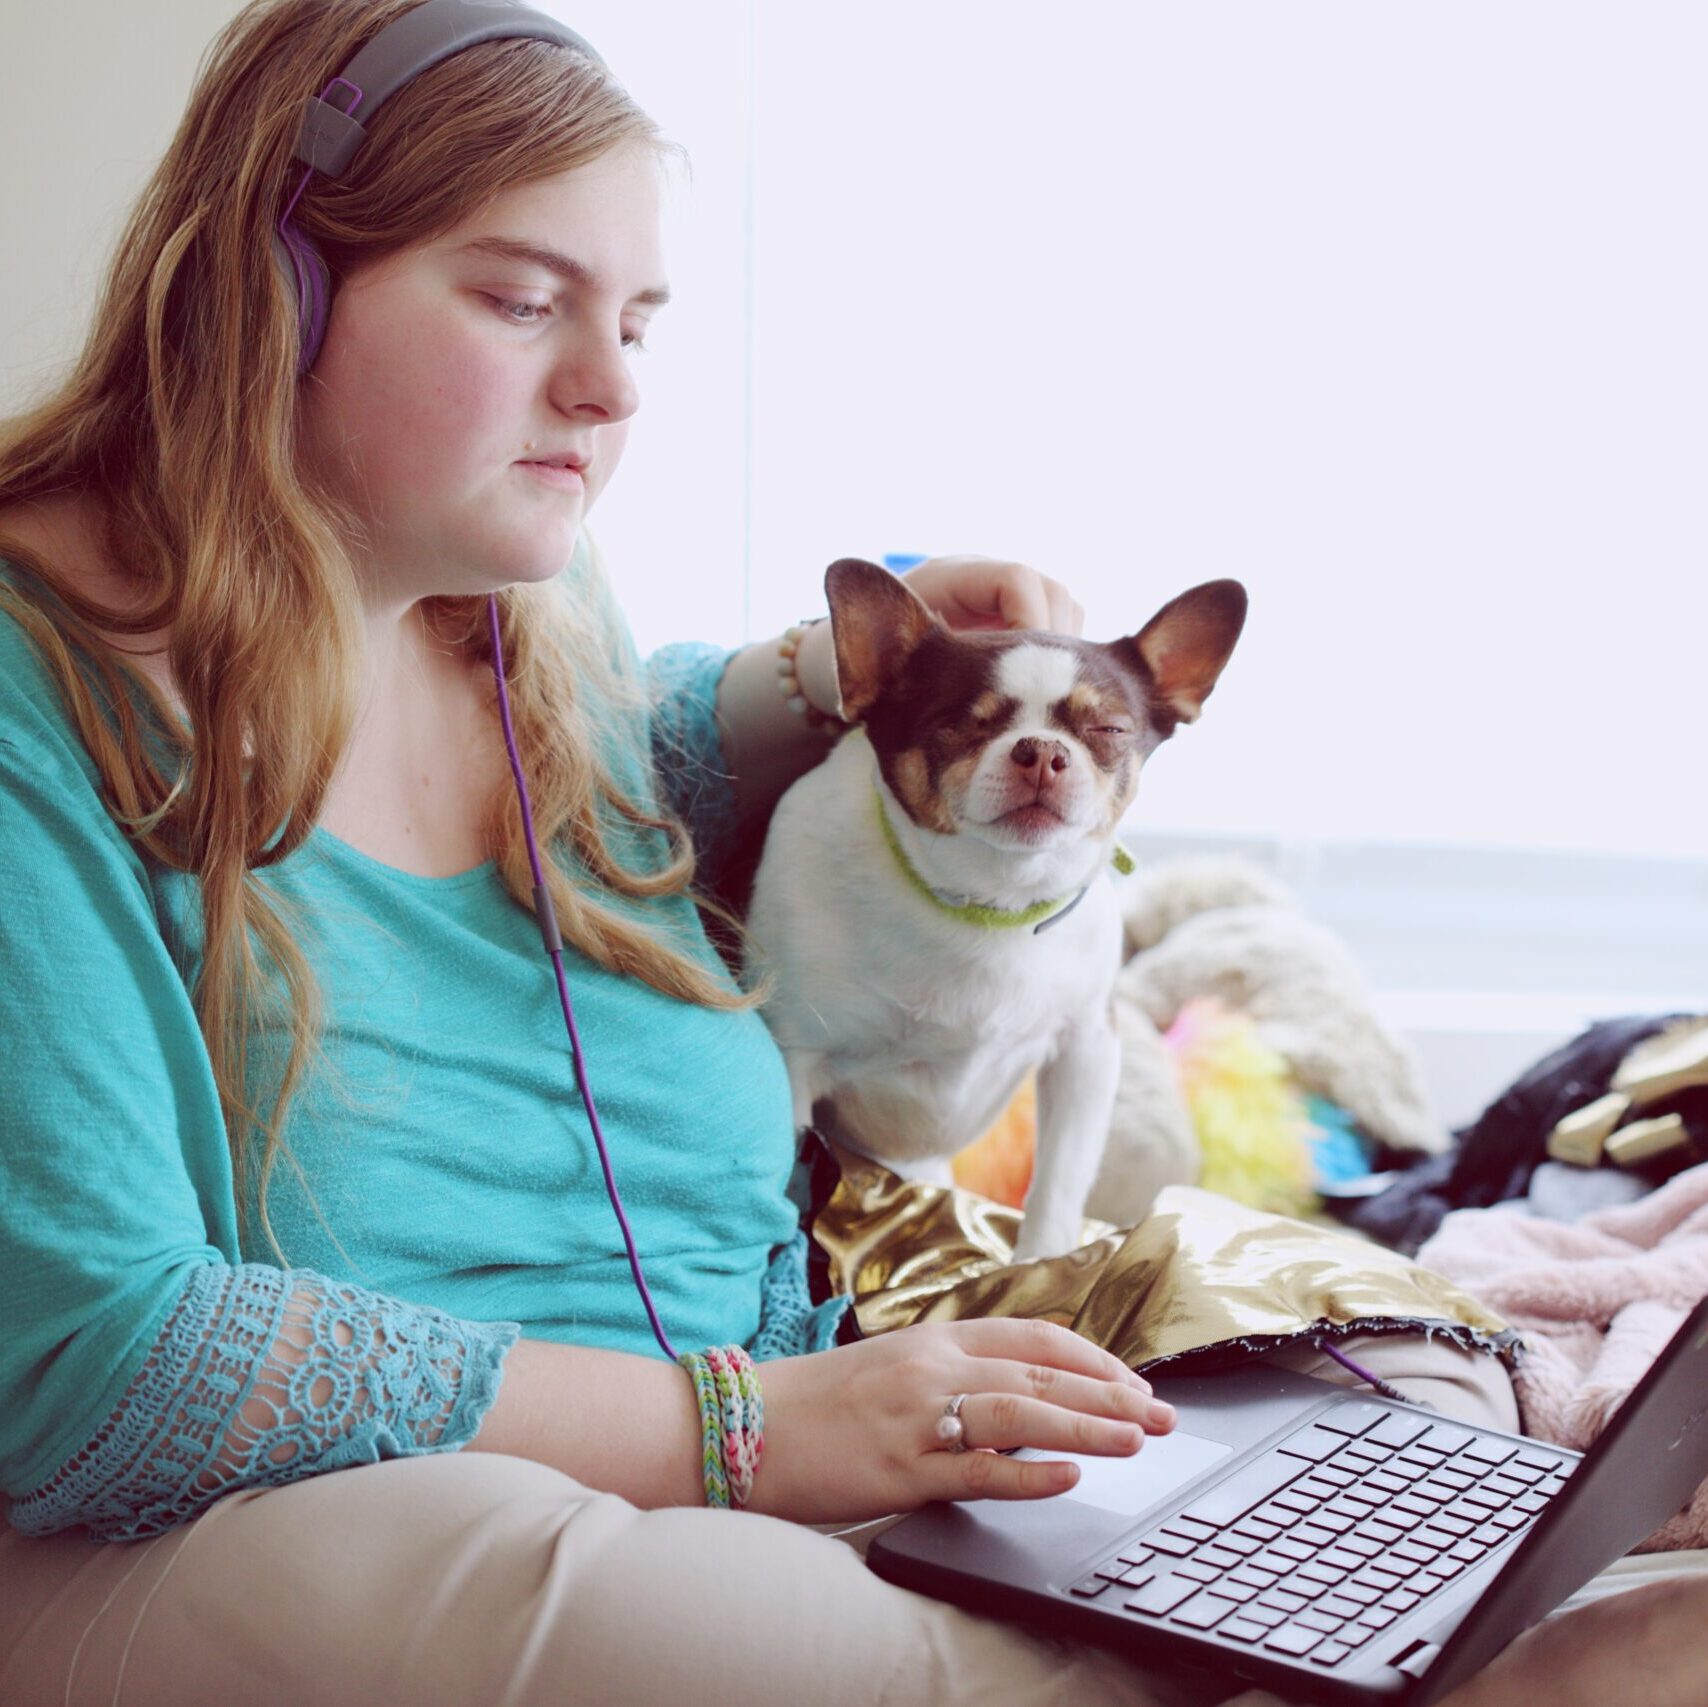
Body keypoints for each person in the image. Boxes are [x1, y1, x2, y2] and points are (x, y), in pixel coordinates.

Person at [1, 3, 1704, 1703]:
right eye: (524, 303)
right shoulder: (38, 692)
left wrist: (820, 681)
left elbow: (618, 782)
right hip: (289, 1523)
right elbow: (105, 1366)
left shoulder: (503, 585)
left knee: (1365, 1391)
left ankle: (1386, 1616)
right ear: (272, 289)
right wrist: (748, 1429)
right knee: (616, 1606)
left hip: (758, 1423)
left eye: (640, 320)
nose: (608, 389)